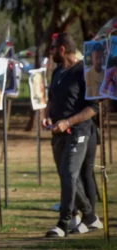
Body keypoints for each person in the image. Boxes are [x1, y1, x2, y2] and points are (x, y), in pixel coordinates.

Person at [42, 32, 102, 238]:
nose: (50, 52)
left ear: (61, 49)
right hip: (57, 133)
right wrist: (47, 116)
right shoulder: (57, 71)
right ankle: (90, 216)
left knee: (69, 174)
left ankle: (63, 223)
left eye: (52, 48)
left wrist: (67, 122)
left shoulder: (84, 72)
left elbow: (94, 108)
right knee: (68, 178)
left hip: (79, 131)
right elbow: (50, 99)